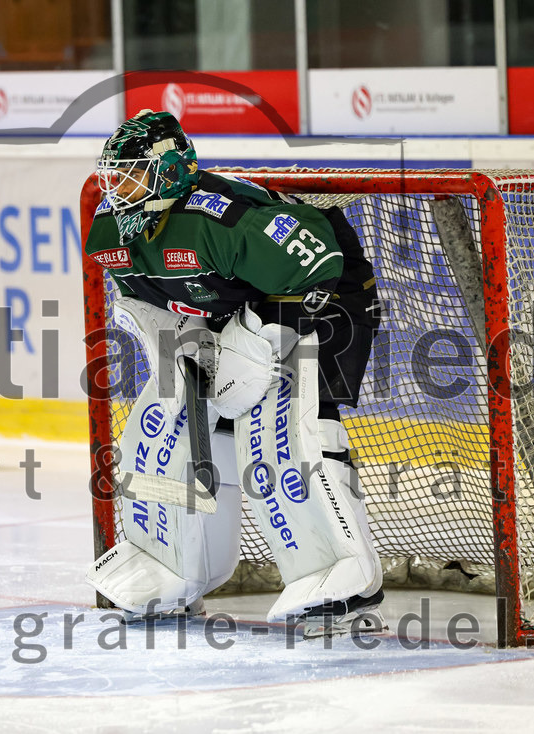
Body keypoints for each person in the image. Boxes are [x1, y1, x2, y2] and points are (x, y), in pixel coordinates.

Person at [84, 109, 383, 638]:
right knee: (163, 436)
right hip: (231, 313)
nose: (117, 186)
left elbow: (317, 267)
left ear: (169, 172)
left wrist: (256, 346)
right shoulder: (113, 228)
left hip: (324, 301)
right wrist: (185, 353)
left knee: (285, 437)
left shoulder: (221, 219)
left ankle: (347, 582)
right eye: (115, 173)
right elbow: (151, 306)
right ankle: (174, 568)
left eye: (131, 173)